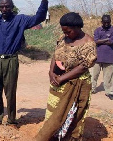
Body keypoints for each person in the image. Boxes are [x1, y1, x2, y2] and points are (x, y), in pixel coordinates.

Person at [35, 12, 97, 141]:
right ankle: (52, 135)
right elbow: (55, 54)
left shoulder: (88, 43)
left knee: (71, 113)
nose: (66, 35)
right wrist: (51, 72)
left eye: (68, 31)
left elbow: (83, 67)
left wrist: (62, 78)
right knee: (55, 113)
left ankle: (68, 137)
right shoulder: (63, 38)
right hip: (58, 83)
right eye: (64, 31)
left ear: (77, 28)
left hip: (77, 84)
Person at [91, 15, 113, 100]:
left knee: (108, 76)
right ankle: (92, 89)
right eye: (105, 22)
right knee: (93, 75)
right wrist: (106, 39)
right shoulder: (97, 30)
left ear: (110, 21)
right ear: (101, 22)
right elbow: (95, 41)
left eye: (108, 22)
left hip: (109, 57)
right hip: (97, 56)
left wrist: (101, 41)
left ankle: (109, 92)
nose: (106, 24)